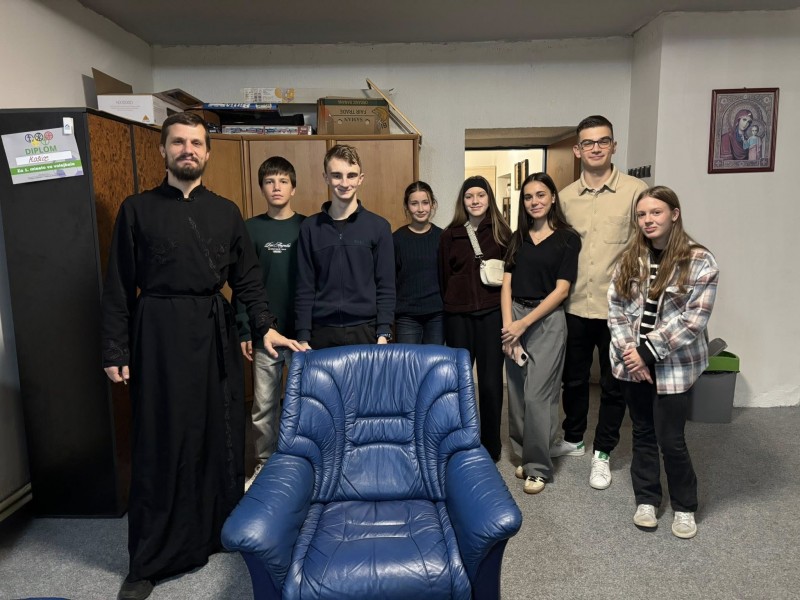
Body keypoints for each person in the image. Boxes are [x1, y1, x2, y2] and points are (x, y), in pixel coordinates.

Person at [101, 112, 303, 600]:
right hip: (158, 333)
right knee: (160, 439)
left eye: (196, 143)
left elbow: (248, 280)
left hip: (213, 331)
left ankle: (215, 532)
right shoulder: (137, 209)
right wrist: (115, 346)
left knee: (218, 433)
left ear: (207, 153)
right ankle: (148, 559)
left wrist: (266, 327)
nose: (187, 150)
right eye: (178, 143)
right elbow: (118, 284)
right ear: (163, 150)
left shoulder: (226, 211)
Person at [608, 185, 719, 539]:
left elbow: (693, 320)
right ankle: (647, 499)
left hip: (674, 367)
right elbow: (616, 310)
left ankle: (685, 506)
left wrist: (647, 352)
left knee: (670, 438)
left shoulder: (700, 261)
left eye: (655, 212)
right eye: (641, 214)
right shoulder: (629, 258)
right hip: (632, 364)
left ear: (674, 214)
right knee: (642, 432)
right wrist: (632, 353)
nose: (648, 220)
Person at [556, 115, 648, 490]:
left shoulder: (636, 191)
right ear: (577, 150)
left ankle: (603, 452)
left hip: (618, 311)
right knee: (574, 380)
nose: (596, 148)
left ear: (613, 146)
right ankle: (574, 438)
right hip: (575, 305)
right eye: (588, 143)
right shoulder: (564, 198)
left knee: (614, 384)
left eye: (603, 141)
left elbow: (646, 246)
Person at [501, 173, 580, 494]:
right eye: (528, 197)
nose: (534, 202)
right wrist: (510, 327)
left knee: (538, 395)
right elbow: (506, 285)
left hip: (546, 320)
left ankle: (538, 467)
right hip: (515, 316)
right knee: (517, 393)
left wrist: (524, 325)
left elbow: (562, 291)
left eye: (541, 195)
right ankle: (527, 452)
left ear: (553, 198)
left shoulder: (568, 239)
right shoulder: (517, 237)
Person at [235, 156, 306, 489]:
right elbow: (242, 283)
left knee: (304, 404)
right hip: (265, 335)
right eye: (269, 181)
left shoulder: (308, 227)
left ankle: (302, 464)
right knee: (264, 405)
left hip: (303, 334)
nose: (276, 187)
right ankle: (265, 464)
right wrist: (245, 328)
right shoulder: (250, 229)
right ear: (261, 188)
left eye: (283, 181)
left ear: (294, 187)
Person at [439, 175, 512, 462]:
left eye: (481, 195)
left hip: (492, 315)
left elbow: (510, 278)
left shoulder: (503, 233)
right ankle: (461, 440)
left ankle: (491, 445)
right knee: (460, 383)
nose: (475, 201)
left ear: (489, 199)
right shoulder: (450, 235)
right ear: (463, 201)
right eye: (469, 196)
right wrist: (453, 303)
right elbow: (444, 277)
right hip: (458, 317)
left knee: (491, 384)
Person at [294, 144, 395, 349]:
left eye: (351, 175)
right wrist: (303, 336)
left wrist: (384, 332)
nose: (345, 183)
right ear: (326, 177)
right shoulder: (310, 228)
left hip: (366, 331)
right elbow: (304, 286)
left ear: (361, 178)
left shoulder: (379, 227)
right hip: (321, 332)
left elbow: (385, 285)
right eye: (337, 175)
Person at [393, 181, 444, 344]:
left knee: (435, 359)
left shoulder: (443, 237)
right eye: (414, 203)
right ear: (406, 206)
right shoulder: (396, 239)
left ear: (432, 204)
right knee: (407, 360)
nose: (420, 209)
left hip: (437, 316)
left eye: (425, 203)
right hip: (406, 317)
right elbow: (390, 280)